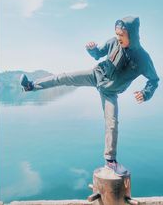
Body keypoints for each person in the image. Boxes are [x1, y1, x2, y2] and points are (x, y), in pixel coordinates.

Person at [20, 16, 159, 176]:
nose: (118, 38)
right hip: (96, 75)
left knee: (112, 123)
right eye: (117, 34)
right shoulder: (113, 42)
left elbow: (154, 80)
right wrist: (92, 49)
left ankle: (111, 162)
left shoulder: (143, 58)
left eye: (121, 35)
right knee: (64, 77)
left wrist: (145, 93)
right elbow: (98, 53)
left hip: (110, 91)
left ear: (132, 35)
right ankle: (31, 85)